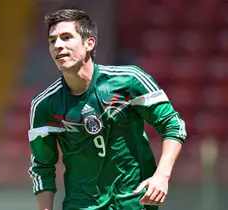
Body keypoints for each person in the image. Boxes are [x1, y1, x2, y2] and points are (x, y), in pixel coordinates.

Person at [28, 8, 186, 210]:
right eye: (52, 40)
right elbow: (42, 166)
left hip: (134, 204)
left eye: (66, 37)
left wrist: (162, 176)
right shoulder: (44, 105)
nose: (58, 45)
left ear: (89, 43)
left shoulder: (130, 80)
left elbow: (173, 124)